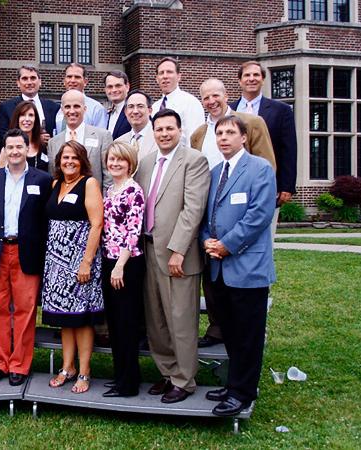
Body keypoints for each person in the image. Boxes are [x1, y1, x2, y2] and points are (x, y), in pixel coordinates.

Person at [190, 78, 276, 349]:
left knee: (246, 324)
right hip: (213, 238)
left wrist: (229, 244)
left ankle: (242, 383)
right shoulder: (202, 140)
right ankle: (219, 335)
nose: (211, 101)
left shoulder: (254, 141)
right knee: (219, 301)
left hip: (243, 244)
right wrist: (208, 240)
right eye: (205, 97)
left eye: (216, 95)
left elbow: (260, 208)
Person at [200, 115, 276, 416]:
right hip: (218, 268)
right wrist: (207, 241)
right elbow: (208, 218)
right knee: (229, 332)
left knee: (248, 334)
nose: (224, 138)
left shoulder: (259, 169)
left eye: (230, 132)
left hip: (247, 268)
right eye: (219, 133)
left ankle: (243, 393)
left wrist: (226, 245)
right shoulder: (216, 171)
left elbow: (259, 216)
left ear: (243, 137)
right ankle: (234, 383)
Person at [133, 109, 209, 404]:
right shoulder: (148, 162)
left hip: (177, 255)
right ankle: (168, 372)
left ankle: (185, 379)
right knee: (156, 318)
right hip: (148, 248)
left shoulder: (194, 161)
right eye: (159, 129)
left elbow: (192, 210)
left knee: (180, 319)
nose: (164, 133)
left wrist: (178, 250)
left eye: (169, 129)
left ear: (180, 130)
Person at [0, 129, 52, 387]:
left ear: (28, 148)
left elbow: (45, 222)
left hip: (26, 252)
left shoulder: (42, 180)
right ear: (4, 150)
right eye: (10, 147)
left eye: (19, 147)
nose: (15, 151)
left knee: (25, 310)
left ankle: (19, 364)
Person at [41, 141, 104, 394]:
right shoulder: (56, 184)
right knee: (65, 319)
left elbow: (97, 224)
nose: (69, 161)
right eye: (65, 157)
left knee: (82, 318)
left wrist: (86, 262)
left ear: (83, 161)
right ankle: (67, 367)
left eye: (74, 158)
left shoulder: (89, 183)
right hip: (56, 263)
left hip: (80, 261)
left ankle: (85, 370)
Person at [100, 142, 146, 398]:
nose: (115, 164)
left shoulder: (133, 191)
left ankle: (128, 384)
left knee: (127, 324)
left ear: (130, 163)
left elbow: (133, 232)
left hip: (126, 264)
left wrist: (119, 266)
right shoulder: (110, 189)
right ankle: (120, 376)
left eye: (120, 160)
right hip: (109, 260)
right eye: (111, 159)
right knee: (115, 324)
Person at [232, 60, 298, 234]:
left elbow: (288, 149)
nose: (251, 79)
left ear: (263, 79)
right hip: (235, 183)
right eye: (247, 75)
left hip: (266, 182)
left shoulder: (281, 110)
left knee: (264, 235)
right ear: (239, 81)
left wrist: (286, 186)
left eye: (256, 75)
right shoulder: (229, 110)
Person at [47, 90, 113, 193]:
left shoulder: (102, 136)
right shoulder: (53, 142)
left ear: (85, 109)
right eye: (67, 107)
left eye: (76, 106)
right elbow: (53, 176)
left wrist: (103, 203)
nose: (72, 111)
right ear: (62, 110)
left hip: (93, 202)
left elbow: (109, 176)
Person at [0, 65, 60, 143]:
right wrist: (35, 139)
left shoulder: (54, 107)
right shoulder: (7, 107)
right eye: (25, 79)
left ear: (40, 81)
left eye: (33, 78)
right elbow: (1, 137)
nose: (29, 82)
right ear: (18, 83)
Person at [150, 57, 205, 146]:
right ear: (157, 78)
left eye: (169, 72)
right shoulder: (155, 107)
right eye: (161, 73)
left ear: (179, 76)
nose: (165, 76)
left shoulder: (190, 103)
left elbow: (195, 139)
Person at [55, 63, 107, 131]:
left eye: (77, 77)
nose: (72, 80)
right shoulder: (59, 109)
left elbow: (101, 137)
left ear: (85, 82)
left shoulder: (96, 109)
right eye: (69, 77)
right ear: (64, 81)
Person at [0, 101, 49, 171]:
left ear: (36, 119)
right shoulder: (7, 150)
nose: (27, 119)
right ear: (17, 118)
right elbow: (1, 177)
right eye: (22, 115)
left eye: (31, 115)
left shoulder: (43, 146)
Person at [115, 90, 158, 163]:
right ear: (125, 112)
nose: (135, 111)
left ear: (150, 111)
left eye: (140, 106)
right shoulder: (118, 142)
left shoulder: (160, 138)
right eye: (131, 107)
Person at [104, 70, 132, 140]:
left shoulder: (133, 111)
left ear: (127, 87)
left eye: (118, 86)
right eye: (110, 87)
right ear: (105, 89)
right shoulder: (106, 114)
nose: (114, 90)